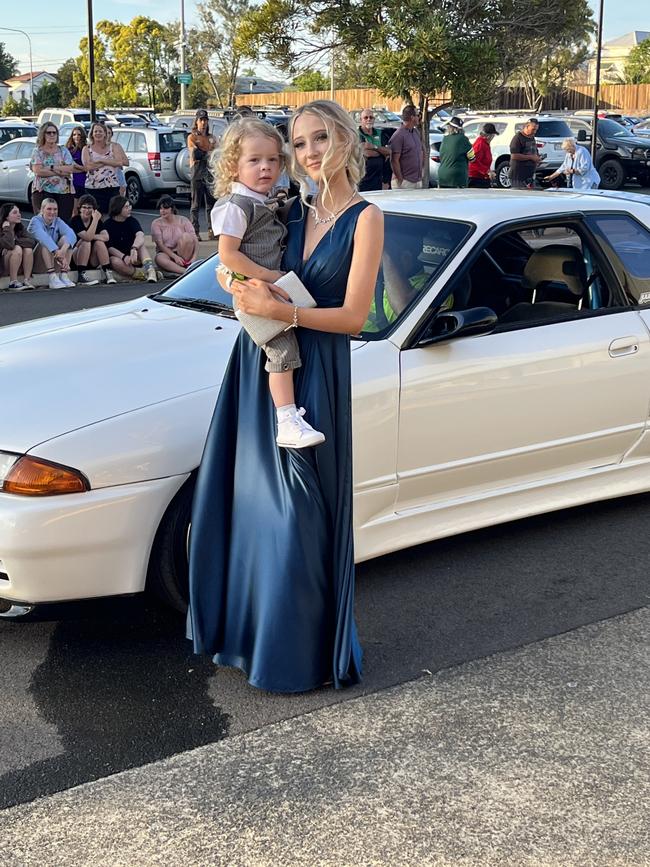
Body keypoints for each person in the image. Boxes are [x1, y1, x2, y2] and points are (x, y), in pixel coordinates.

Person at [188, 99, 384, 693]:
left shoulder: (366, 217)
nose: (308, 154)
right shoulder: (293, 210)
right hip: (263, 367)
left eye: (318, 138)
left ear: (346, 138)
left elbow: (354, 317)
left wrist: (283, 309)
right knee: (257, 505)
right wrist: (232, 280)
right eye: (298, 144)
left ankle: (298, 653)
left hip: (318, 371)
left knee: (301, 513)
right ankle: (247, 638)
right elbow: (241, 261)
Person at [209, 117, 324, 449]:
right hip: (254, 292)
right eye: (254, 160)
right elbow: (228, 256)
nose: (266, 168)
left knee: (286, 346)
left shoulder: (261, 200)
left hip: (265, 289)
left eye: (273, 160)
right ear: (233, 166)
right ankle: (287, 420)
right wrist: (273, 277)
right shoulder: (235, 205)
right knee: (282, 350)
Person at [30, 122, 79, 223]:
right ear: (43, 134)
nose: (52, 135)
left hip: (64, 192)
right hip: (42, 191)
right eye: (49, 133)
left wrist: (50, 167)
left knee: (63, 223)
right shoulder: (37, 151)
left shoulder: (63, 150)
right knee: (44, 222)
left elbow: (70, 169)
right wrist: (60, 170)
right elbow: (38, 171)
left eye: (54, 132)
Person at [104, 195, 157, 282]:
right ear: (117, 208)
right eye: (126, 207)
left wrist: (134, 248)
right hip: (120, 257)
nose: (130, 209)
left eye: (130, 206)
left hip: (134, 255)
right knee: (113, 261)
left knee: (141, 246)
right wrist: (124, 257)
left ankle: (151, 271)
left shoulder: (132, 220)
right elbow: (109, 247)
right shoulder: (107, 224)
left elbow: (140, 235)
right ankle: (141, 275)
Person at [27, 198, 77, 289]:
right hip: (36, 264)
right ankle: (52, 277)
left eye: (55, 209)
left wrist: (63, 250)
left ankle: (64, 275)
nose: (52, 212)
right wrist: (59, 254)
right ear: (42, 210)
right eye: (49, 209)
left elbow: (72, 234)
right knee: (45, 244)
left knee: (66, 239)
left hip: (56, 260)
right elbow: (44, 238)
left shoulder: (57, 220)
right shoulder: (35, 221)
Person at [82, 122, 129, 214]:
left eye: (100, 131)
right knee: (96, 215)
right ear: (92, 134)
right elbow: (88, 167)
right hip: (93, 187)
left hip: (112, 186)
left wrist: (101, 161)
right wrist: (109, 162)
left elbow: (119, 163)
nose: (98, 133)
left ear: (105, 134)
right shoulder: (86, 148)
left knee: (113, 213)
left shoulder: (114, 147)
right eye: (95, 131)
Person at [70, 193, 116, 285]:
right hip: (76, 258)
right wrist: (95, 221)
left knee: (99, 243)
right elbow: (87, 238)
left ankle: (107, 272)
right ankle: (81, 275)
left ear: (94, 209)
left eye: (89, 208)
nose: (87, 210)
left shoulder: (97, 221)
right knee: (86, 242)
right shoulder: (75, 220)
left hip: (92, 259)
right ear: (80, 208)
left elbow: (106, 237)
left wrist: (93, 234)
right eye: (84, 207)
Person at [150, 194, 199, 275]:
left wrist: (194, 257)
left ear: (172, 208)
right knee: (159, 258)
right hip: (166, 253)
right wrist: (174, 257)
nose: (162, 211)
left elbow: (195, 240)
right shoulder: (156, 223)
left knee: (187, 236)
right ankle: (185, 272)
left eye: (165, 208)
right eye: (160, 208)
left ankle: (185, 265)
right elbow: (160, 245)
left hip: (183, 252)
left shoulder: (183, 220)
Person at [188, 109, 217, 240]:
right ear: (196, 121)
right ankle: (195, 230)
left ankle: (212, 230)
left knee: (211, 203)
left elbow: (217, 154)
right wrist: (208, 154)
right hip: (197, 171)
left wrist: (208, 154)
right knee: (195, 204)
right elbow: (196, 154)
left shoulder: (211, 138)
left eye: (205, 120)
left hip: (209, 171)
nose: (203, 123)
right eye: (201, 120)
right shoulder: (192, 137)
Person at [0, 203, 36, 290]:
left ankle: (26, 280)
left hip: (17, 263)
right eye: (15, 212)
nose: (19, 214)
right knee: (17, 248)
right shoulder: (2, 229)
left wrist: (15, 241)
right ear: (6, 217)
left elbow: (31, 242)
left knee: (28, 249)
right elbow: (9, 245)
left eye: (19, 212)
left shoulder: (20, 228)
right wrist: (7, 229)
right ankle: (13, 282)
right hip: (3, 266)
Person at [389, 105, 425, 189]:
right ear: (412, 117)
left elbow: (421, 151)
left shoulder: (415, 132)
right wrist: (400, 179)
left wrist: (422, 170)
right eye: (417, 115)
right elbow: (394, 160)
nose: (419, 117)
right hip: (405, 182)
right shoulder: (398, 135)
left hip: (417, 180)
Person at [358, 109, 391, 191]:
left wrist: (374, 147)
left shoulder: (380, 133)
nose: (368, 119)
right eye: (365, 118)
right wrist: (381, 152)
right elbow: (366, 153)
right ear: (360, 120)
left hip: (379, 180)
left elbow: (389, 152)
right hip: (362, 181)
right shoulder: (357, 134)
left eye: (371, 117)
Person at [437, 117, 475, 188]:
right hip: (457, 177)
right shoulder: (463, 139)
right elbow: (472, 158)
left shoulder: (445, 139)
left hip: (442, 175)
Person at [509, 118, 541, 189]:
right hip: (518, 175)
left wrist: (537, 158)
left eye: (536, 130)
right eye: (533, 129)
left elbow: (534, 150)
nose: (535, 132)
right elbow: (514, 155)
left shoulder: (532, 137)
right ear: (527, 126)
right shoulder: (517, 138)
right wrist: (531, 157)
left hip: (529, 174)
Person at [468, 122, 497, 188]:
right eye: (493, 135)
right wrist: (487, 171)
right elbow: (473, 161)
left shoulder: (485, 144)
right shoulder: (480, 144)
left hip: (481, 177)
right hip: (475, 178)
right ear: (489, 136)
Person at [105, 124, 127, 197]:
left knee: (119, 201)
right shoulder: (97, 147)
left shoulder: (116, 146)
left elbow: (126, 162)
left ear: (111, 134)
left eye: (109, 133)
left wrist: (115, 162)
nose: (107, 135)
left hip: (117, 176)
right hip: (102, 178)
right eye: (105, 132)